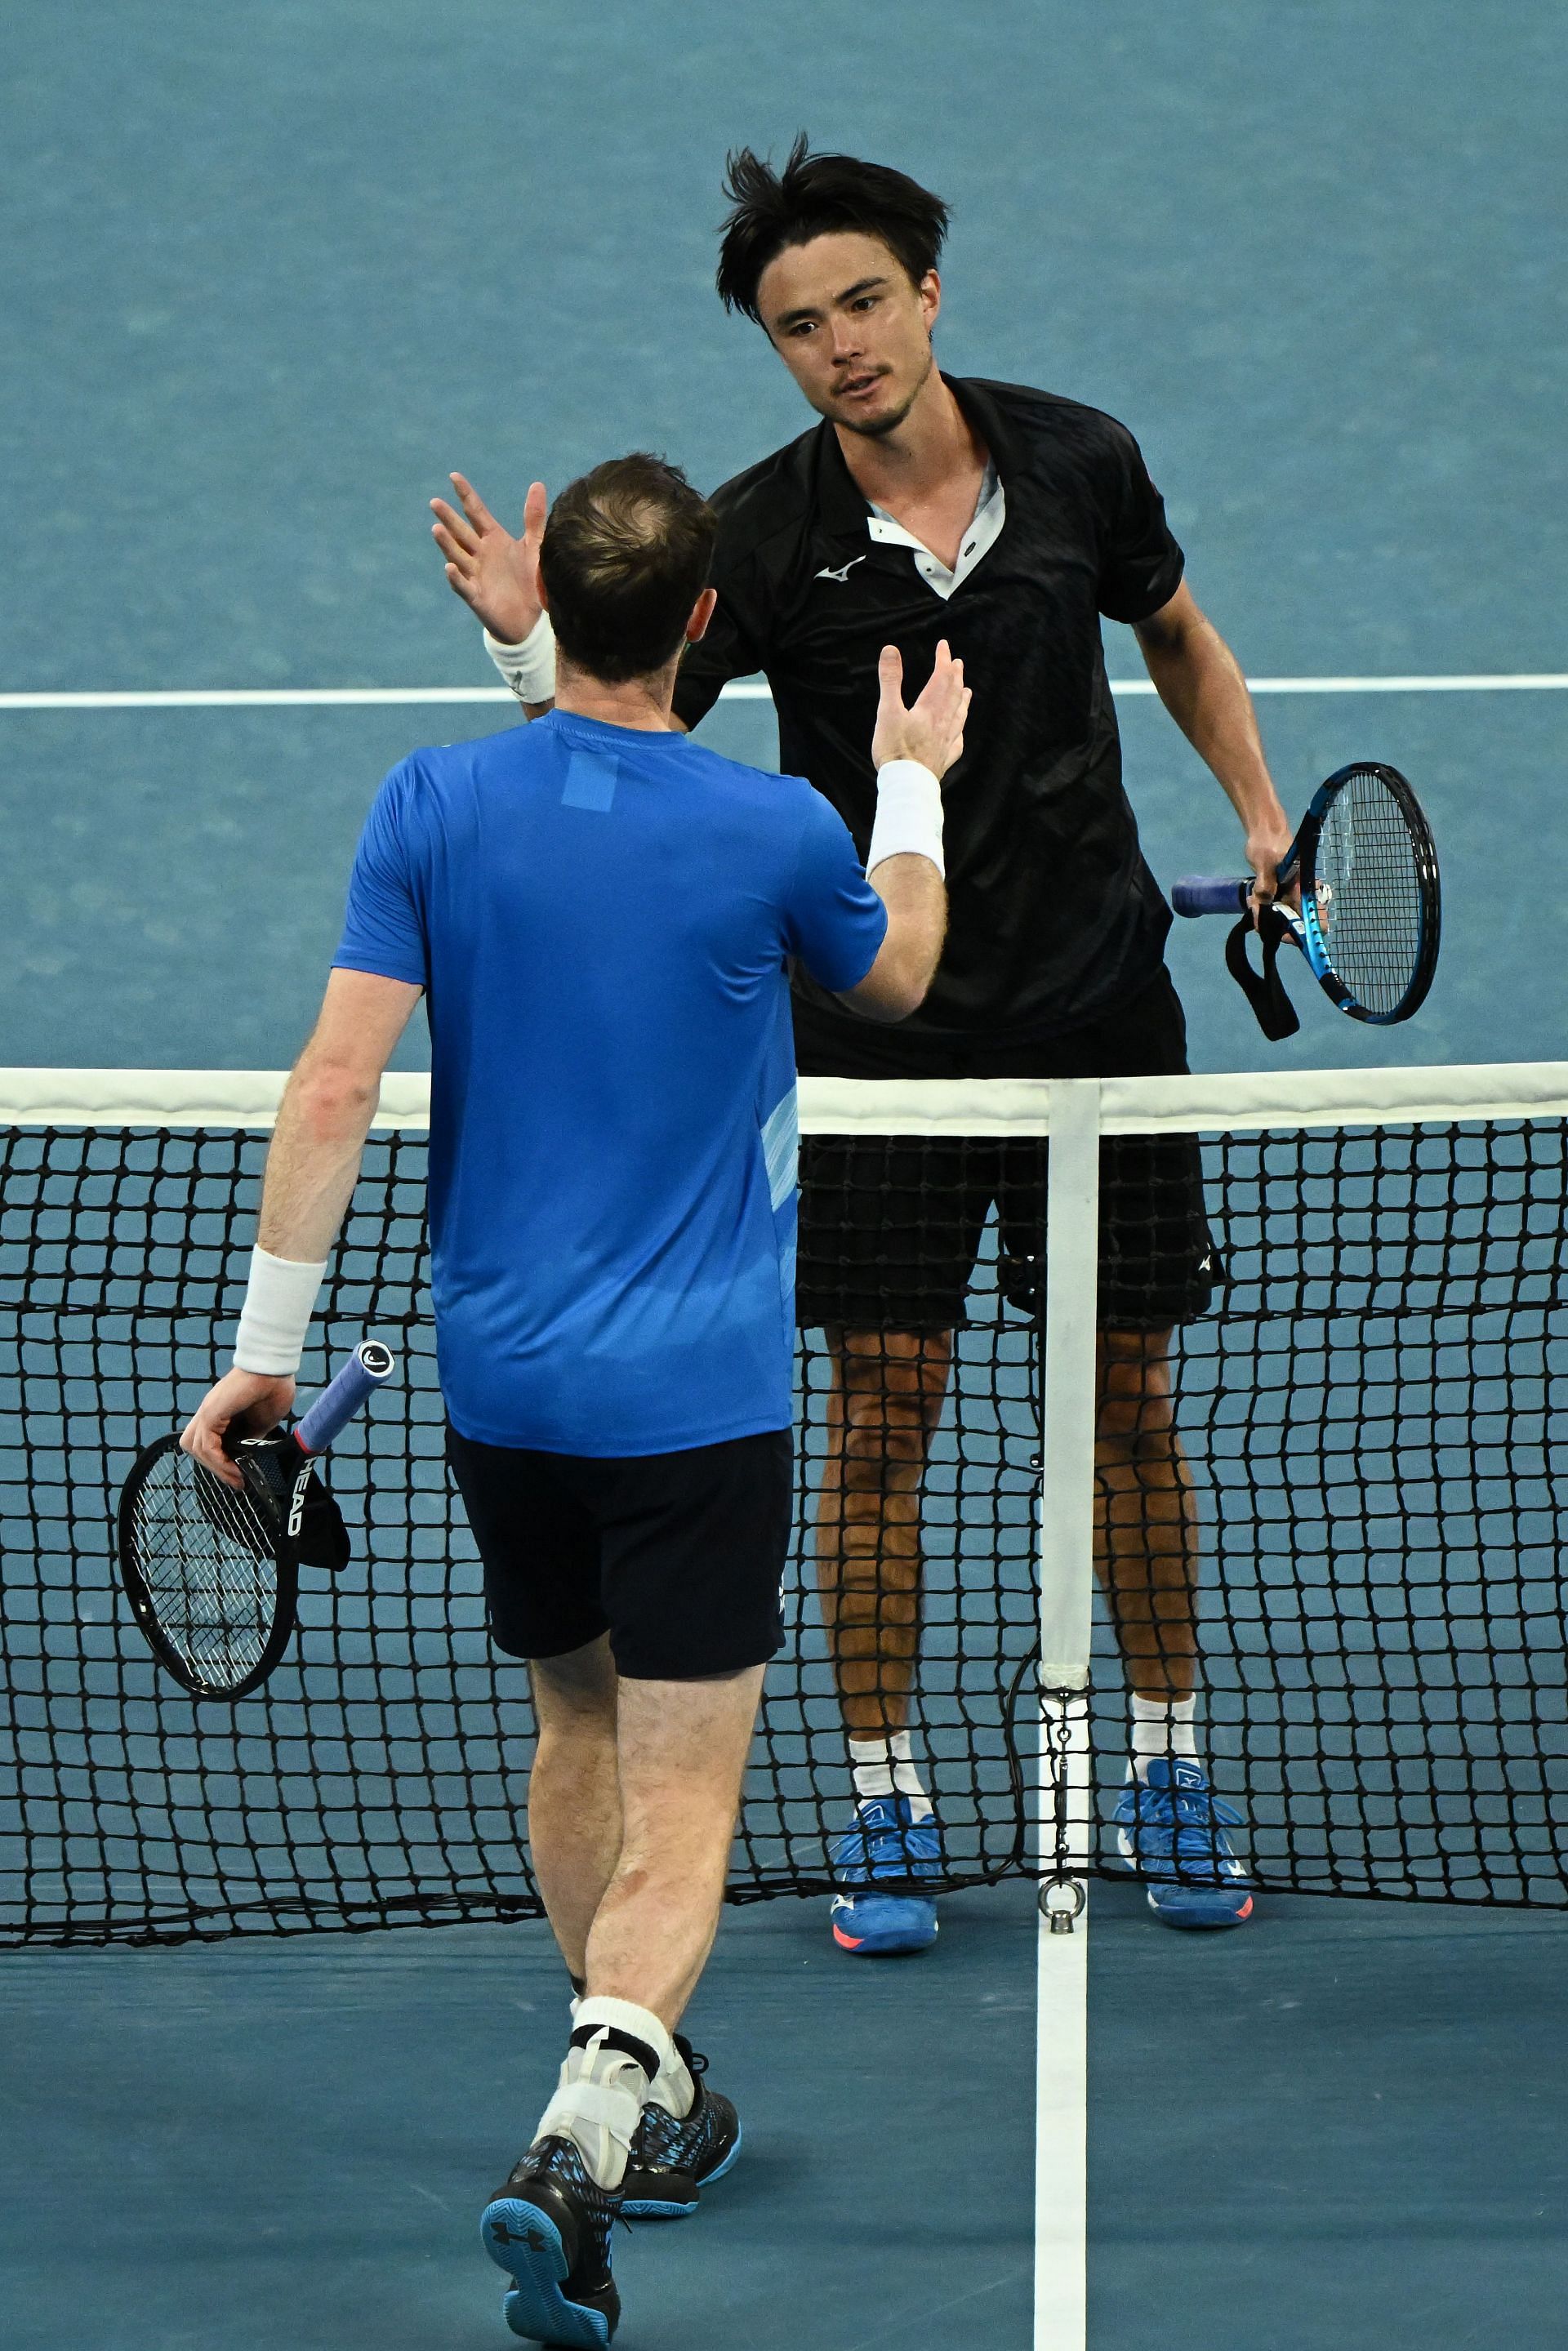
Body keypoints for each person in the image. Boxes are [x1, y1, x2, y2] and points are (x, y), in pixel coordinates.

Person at [434, 140, 1285, 1950]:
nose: (839, 347)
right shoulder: (755, 539)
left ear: (931, 293)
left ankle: (1166, 1754)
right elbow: (626, 745)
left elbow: (1182, 638)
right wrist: (528, 656)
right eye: (798, 326)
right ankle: (884, 1791)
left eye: (864, 304)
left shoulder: (1078, 460)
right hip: (883, 1047)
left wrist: (1264, 813)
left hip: (1105, 1029)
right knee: (880, 1423)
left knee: (1131, 1410)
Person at [180, 452, 966, 2346]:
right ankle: (579, 2128)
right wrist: (916, 769)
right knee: (687, 1807)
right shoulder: (775, 828)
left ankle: (640, 2086)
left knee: (576, 1723)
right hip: (693, 1405)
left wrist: (268, 1347)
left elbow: (332, 1087)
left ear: (573, 613)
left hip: (504, 1389)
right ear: (708, 623)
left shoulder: (433, 806)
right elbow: (905, 971)